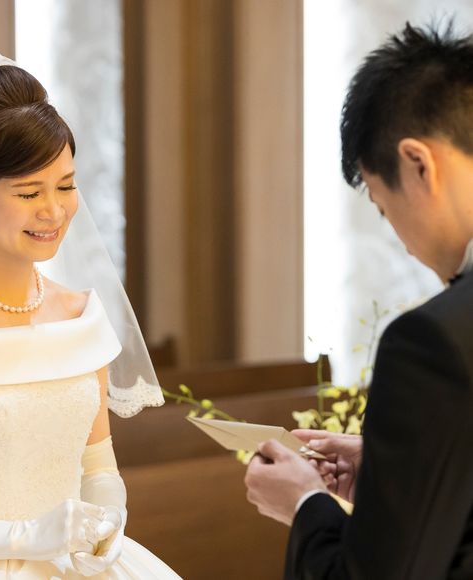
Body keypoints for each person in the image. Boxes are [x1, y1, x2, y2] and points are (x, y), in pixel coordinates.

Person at [0, 49, 180, 579]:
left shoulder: (78, 318)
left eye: (66, 186)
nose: (53, 211)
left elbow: (98, 466)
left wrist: (108, 518)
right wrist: (24, 537)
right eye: (29, 192)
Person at [244, 21, 473, 580]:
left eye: (381, 204)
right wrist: (401, 473)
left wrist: (305, 505)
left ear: (418, 164)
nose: (400, 237)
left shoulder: (434, 341)